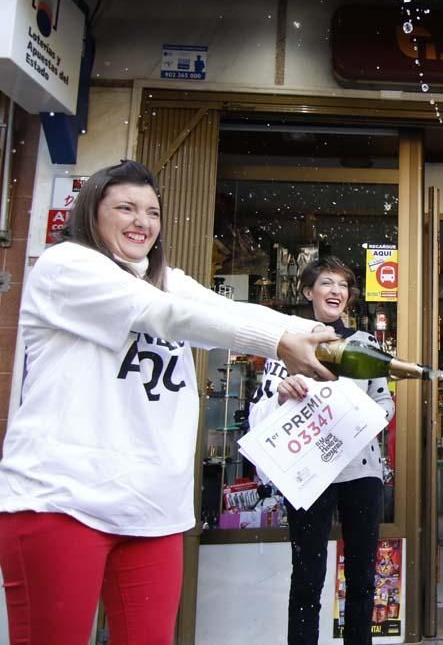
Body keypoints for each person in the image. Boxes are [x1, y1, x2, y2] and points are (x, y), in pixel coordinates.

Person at [0, 160, 339, 645]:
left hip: (153, 508)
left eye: (152, 212)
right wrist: (281, 342)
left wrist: (318, 335)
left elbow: (223, 309)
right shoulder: (66, 267)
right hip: (60, 500)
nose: (142, 221)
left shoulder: (165, 279)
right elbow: (163, 314)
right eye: (125, 208)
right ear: (92, 214)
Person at [248, 256, 394, 645]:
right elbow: (261, 410)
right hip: (309, 473)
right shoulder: (288, 344)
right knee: (307, 576)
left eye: (343, 285)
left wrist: (360, 415)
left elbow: (385, 402)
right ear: (308, 292)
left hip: (361, 472)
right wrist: (282, 395)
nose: (335, 291)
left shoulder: (364, 343)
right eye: (326, 283)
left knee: (363, 576)